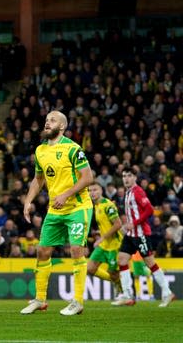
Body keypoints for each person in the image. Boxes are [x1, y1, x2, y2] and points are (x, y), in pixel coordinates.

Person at [20, 110, 94, 316]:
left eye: (52, 121)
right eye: (46, 120)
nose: (47, 123)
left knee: (76, 250)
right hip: (55, 210)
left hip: (78, 207)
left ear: (62, 126)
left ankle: (78, 301)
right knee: (42, 251)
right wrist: (28, 201)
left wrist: (66, 194)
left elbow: (88, 177)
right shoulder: (40, 150)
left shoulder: (73, 149)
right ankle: (40, 299)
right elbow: (38, 179)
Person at [111, 168, 175, 307]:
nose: (125, 178)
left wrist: (132, 223)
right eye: (123, 176)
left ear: (135, 177)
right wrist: (126, 226)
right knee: (122, 259)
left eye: (129, 176)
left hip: (140, 234)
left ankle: (167, 292)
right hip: (131, 234)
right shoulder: (128, 193)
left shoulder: (138, 191)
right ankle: (128, 295)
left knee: (150, 263)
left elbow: (150, 210)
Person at [87, 183, 123, 298]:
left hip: (114, 245)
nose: (92, 193)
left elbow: (118, 224)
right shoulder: (96, 206)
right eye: (90, 190)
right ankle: (117, 284)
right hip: (103, 245)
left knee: (113, 273)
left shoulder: (108, 205)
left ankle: (123, 291)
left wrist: (101, 238)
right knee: (90, 269)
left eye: (95, 190)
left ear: (101, 191)